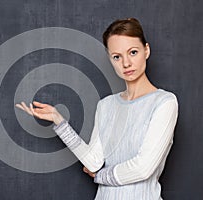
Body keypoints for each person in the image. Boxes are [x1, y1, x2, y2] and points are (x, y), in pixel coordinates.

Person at [16, 18, 178, 200]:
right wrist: (59, 121)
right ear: (110, 58)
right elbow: (93, 163)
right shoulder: (106, 105)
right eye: (117, 56)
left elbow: (143, 169)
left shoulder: (164, 102)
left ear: (146, 50)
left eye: (133, 52)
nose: (126, 63)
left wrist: (101, 176)